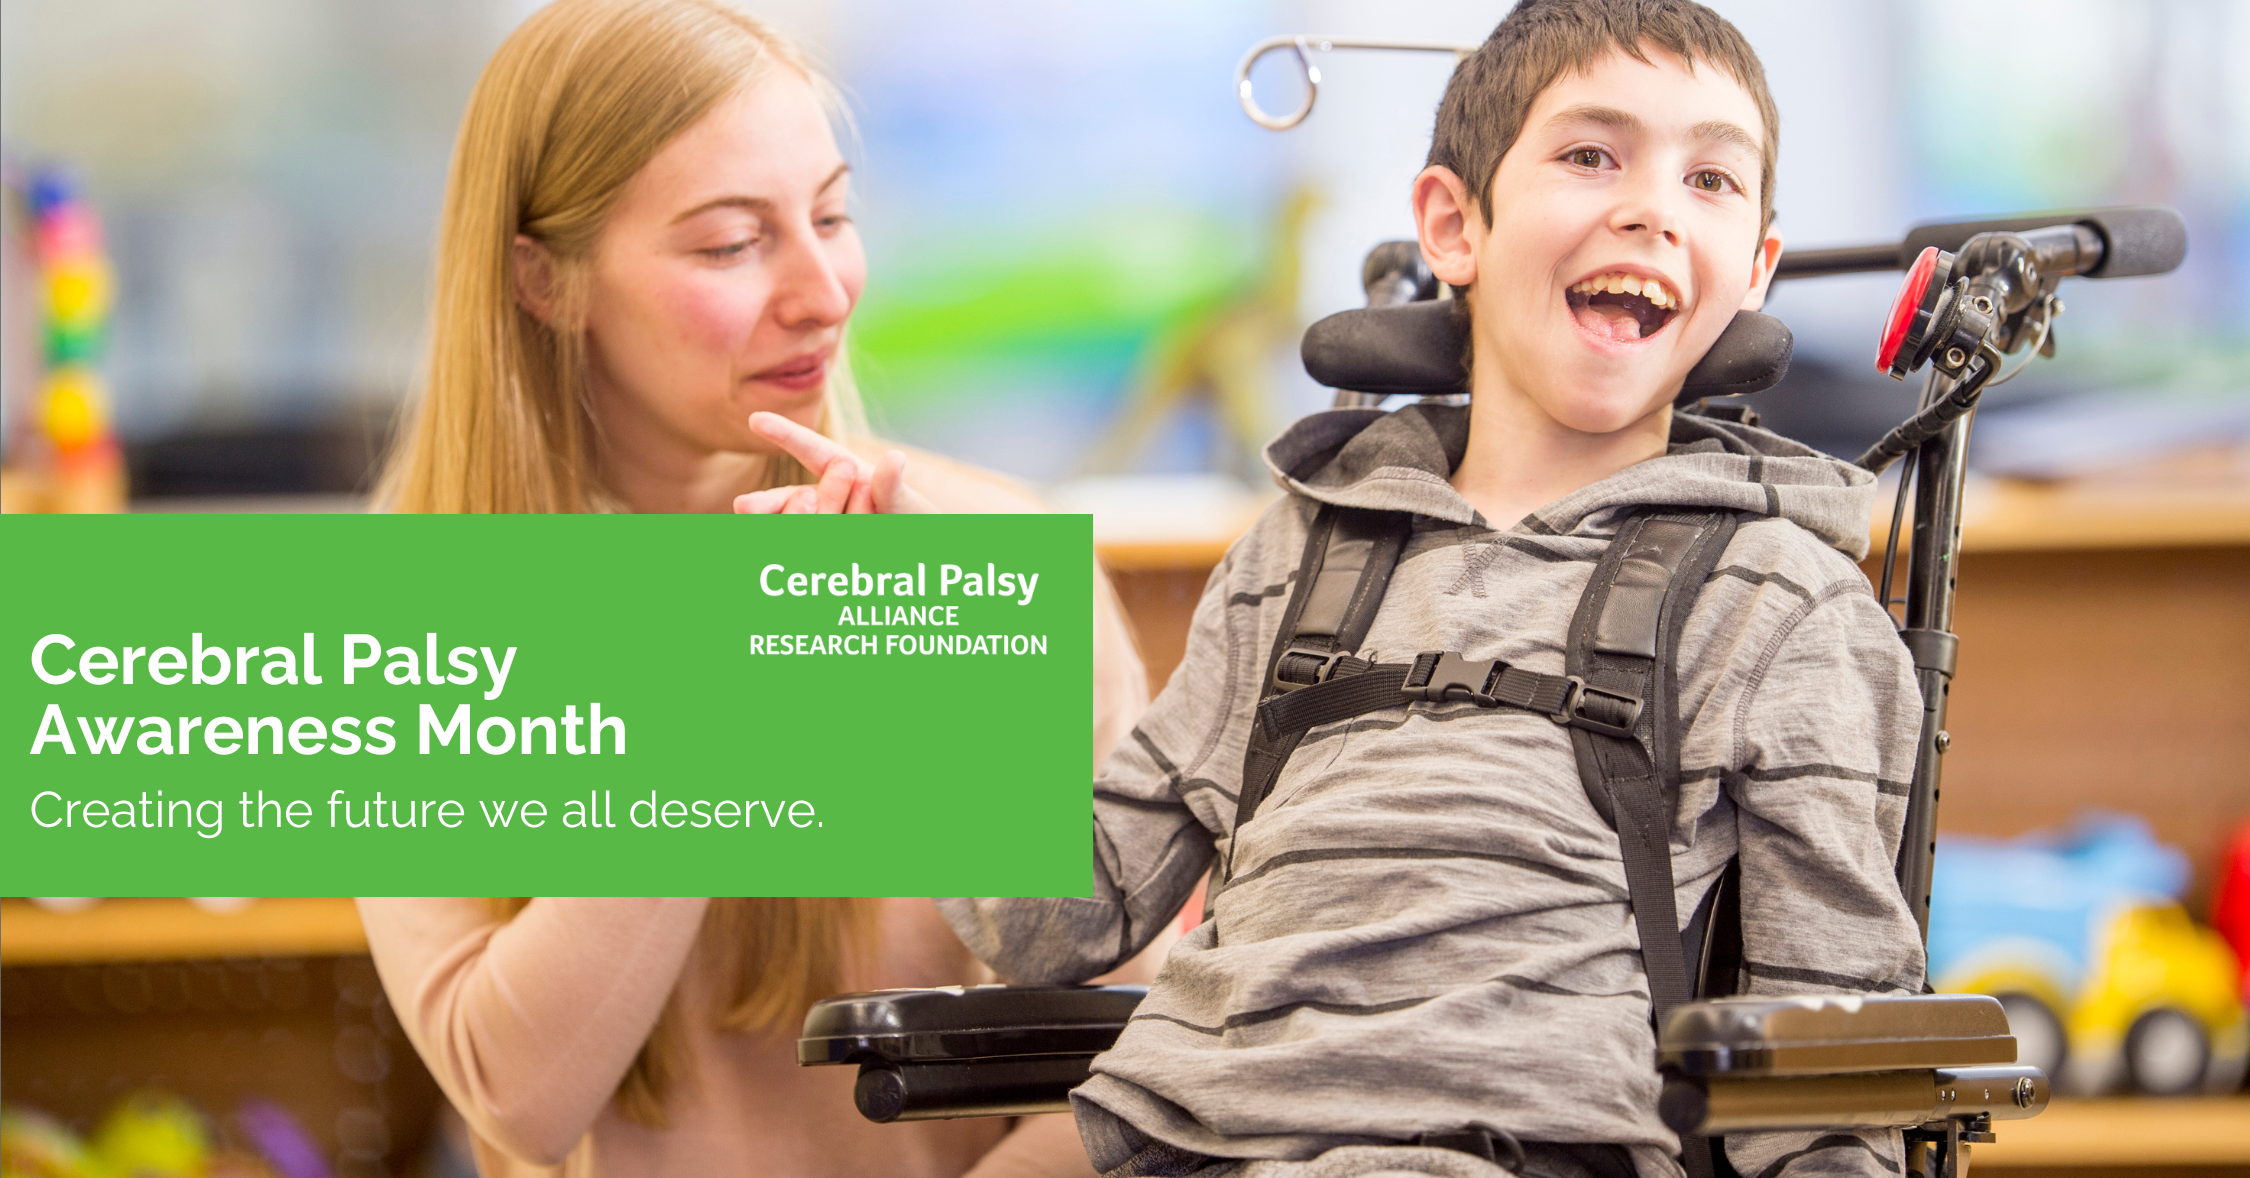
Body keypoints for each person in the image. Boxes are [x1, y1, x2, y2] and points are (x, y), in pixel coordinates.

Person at [936, 3, 1926, 1177]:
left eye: (1710, 178)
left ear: (1753, 269)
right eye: (1591, 154)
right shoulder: (1297, 553)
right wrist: (906, 613)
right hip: (1188, 1131)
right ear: (1453, 224)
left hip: (1509, 1144)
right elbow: (1067, 909)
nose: (1653, 206)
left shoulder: (1784, 606)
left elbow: (1827, 1065)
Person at [359, 1, 1154, 1175]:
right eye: (732, 243)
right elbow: (517, 1091)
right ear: (545, 280)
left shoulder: (984, 556)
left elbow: (1125, 1063)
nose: (825, 291)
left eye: (833, 215)